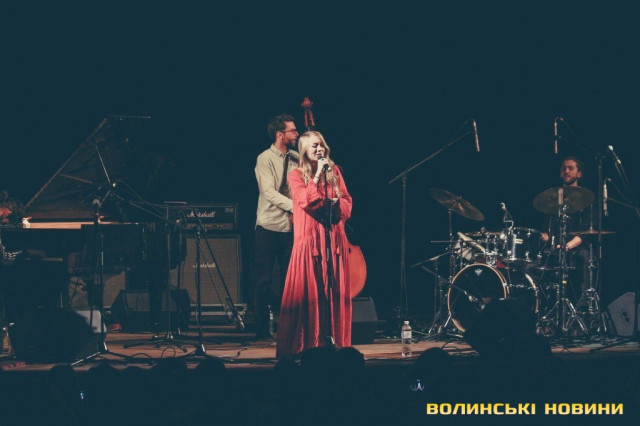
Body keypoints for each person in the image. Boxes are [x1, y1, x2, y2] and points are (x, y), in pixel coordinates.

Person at [276, 130, 353, 358]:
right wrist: (318, 174)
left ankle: (334, 343)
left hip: (333, 240)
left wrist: (337, 203)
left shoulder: (335, 172)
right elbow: (305, 201)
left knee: (332, 294)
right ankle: (307, 346)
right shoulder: (296, 175)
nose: (319, 149)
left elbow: (347, 203)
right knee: (309, 296)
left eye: (321, 145)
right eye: (314, 146)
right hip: (310, 243)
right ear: (304, 151)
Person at [253, 114, 300, 339]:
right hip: (268, 226)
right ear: (280, 134)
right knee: (263, 281)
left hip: (290, 228)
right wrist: (296, 207)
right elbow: (268, 192)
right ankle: (262, 330)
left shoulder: (297, 158)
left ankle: (287, 328)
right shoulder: (264, 158)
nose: (297, 134)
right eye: (292, 131)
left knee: (289, 281)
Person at [540, 156, 592, 301]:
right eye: (564, 168)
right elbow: (547, 232)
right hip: (556, 248)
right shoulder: (552, 199)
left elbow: (585, 233)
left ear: (579, 174)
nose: (566, 171)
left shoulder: (586, 199)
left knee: (584, 257)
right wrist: (539, 236)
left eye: (570, 168)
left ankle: (582, 305)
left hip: (577, 249)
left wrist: (566, 246)